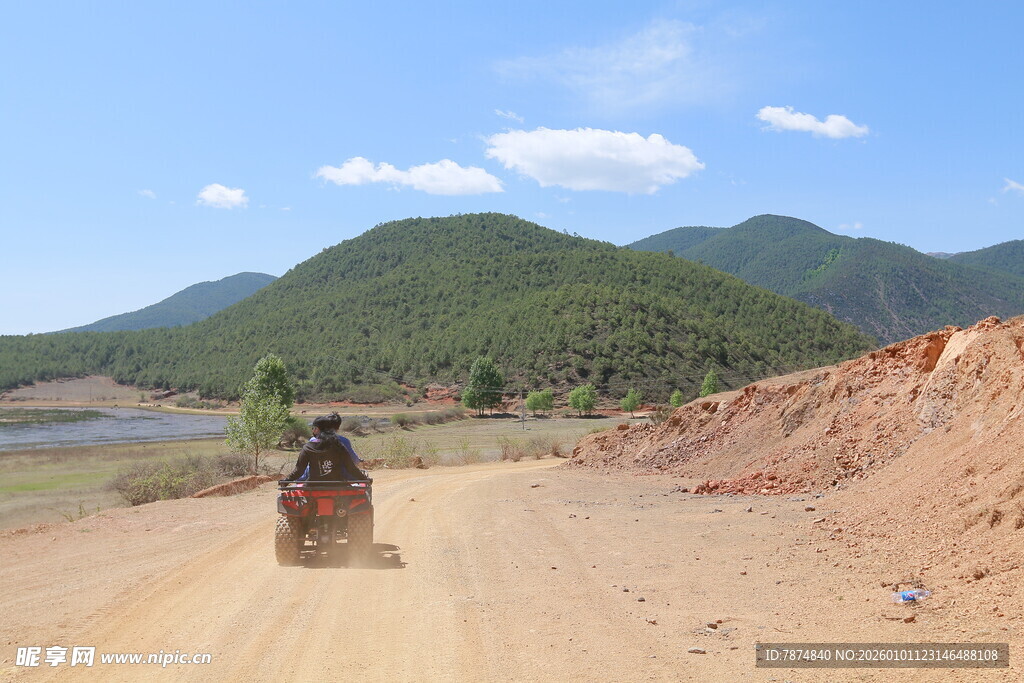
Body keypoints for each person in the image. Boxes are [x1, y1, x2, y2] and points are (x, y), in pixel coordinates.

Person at [286, 413, 366, 481]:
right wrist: (364, 478)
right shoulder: (339, 445)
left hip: (312, 485)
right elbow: (351, 467)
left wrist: (286, 481)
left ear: (318, 429)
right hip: (338, 484)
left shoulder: (309, 446)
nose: (312, 430)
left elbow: (299, 470)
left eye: (314, 428)